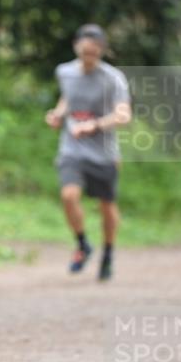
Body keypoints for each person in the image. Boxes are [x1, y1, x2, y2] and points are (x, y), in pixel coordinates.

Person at [45, 24, 131, 280]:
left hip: (104, 153)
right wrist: (58, 115)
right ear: (76, 48)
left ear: (102, 51)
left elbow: (124, 114)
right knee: (69, 195)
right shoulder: (65, 72)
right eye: (85, 52)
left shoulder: (113, 78)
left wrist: (94, 125)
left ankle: (108, 253)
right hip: (72, 148)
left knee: (106, 207)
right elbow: (68, 98)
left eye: (94, 53)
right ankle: (83, 244)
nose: (89, 57)